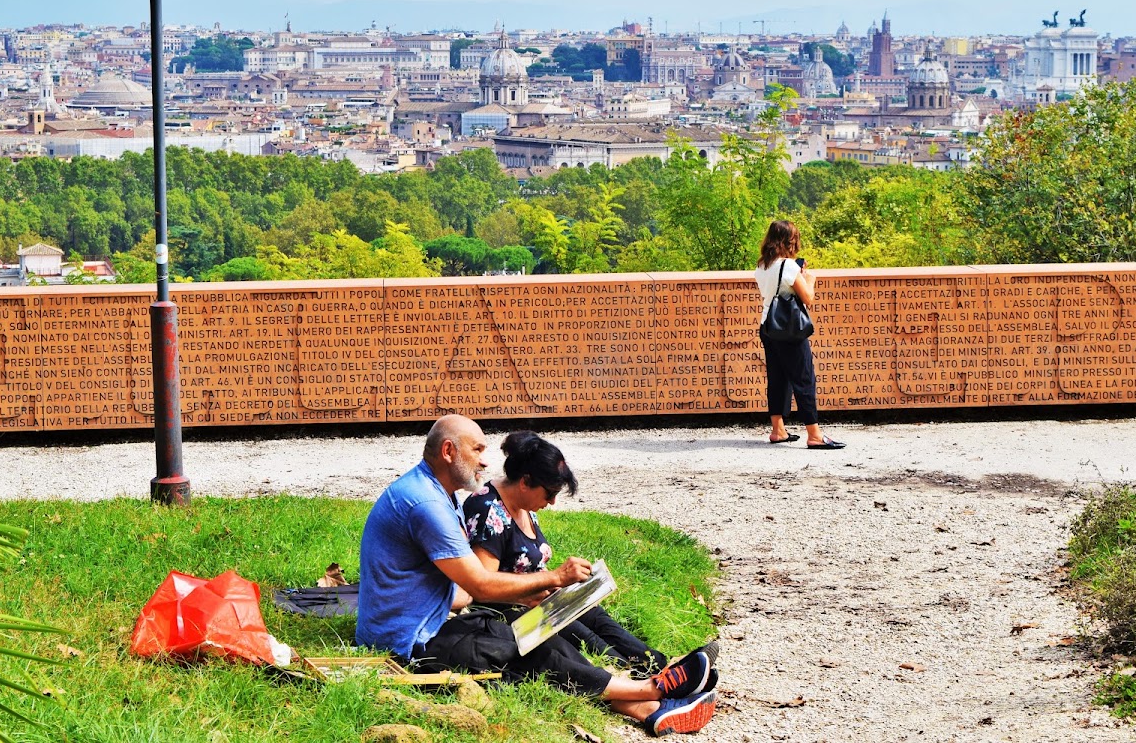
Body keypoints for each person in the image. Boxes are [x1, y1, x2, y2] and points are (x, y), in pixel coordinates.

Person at [356, 414, 719, 737]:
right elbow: (478, 584)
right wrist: (555, 578)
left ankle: (643, 706)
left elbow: (459, 590)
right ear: (449, 451)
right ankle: (652, 691)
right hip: (405, 643)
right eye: (477, 449)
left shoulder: (438, 494)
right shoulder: (427, 504)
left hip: (430, 622)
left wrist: (522, 592)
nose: (485, 460)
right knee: (528, 648)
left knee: (534, 636)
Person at [464, 430, 710, 679]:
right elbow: (482, 588)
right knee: (580, 631)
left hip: (535, 598)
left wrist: (559, 582)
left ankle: (660, 665)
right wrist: (551, 580)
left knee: (595, 614)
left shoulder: (522, 503)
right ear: (525, 482)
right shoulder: (488, 511)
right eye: (549, 493)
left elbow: (522, 566)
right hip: (507, 617)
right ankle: (643, 680)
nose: (552, 503)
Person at [755, 220, 845, 449]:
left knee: (777, 379)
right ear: (789, 241)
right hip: (790, 331)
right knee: (804, 378)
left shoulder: (762, 265)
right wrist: (810, 279)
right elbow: (808, 298)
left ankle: (778, 430)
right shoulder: (789, 267)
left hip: (768, 326)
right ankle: (814, 435)